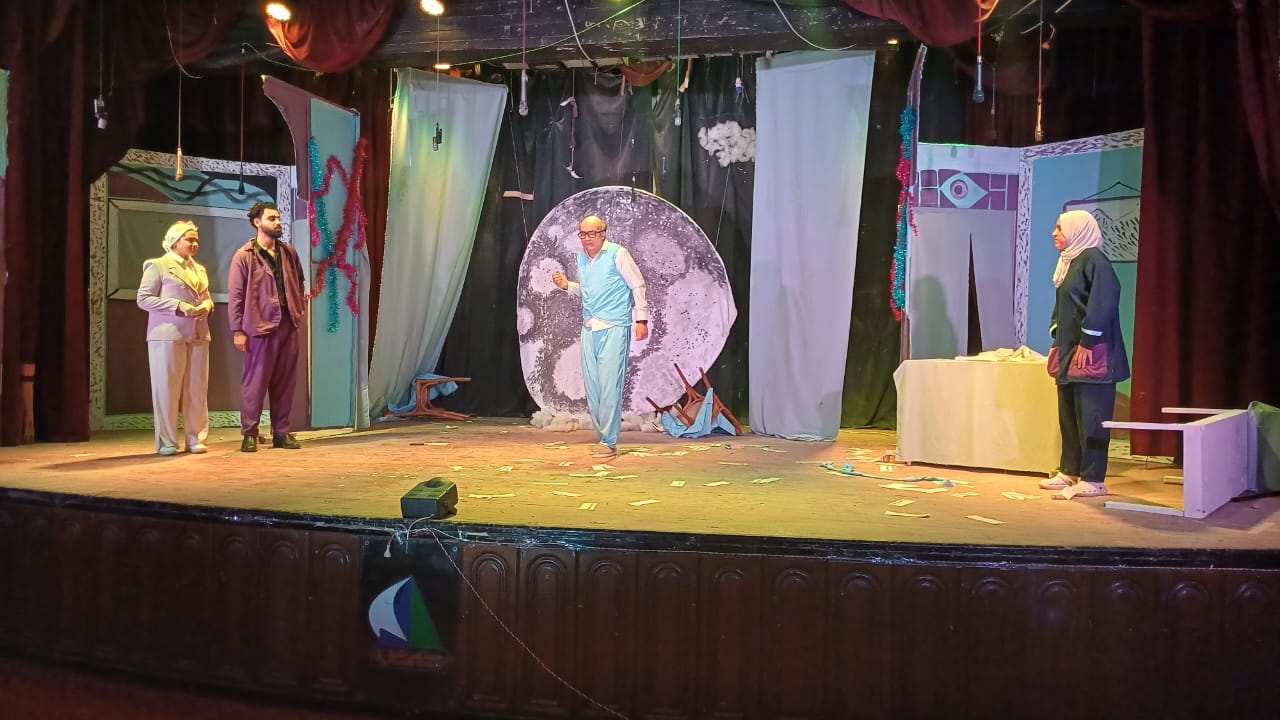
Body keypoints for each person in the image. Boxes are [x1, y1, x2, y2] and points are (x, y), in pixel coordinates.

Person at [1039, 209, 1130, 498]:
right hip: (1069, 352)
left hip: (1093, 352)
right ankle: (1070, 470)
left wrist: (1088, 341)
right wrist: (1057, 333)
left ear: (1077, 230)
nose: (1054, 233)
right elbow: (1065, 306)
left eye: (1059, 228)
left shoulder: (1094, 260)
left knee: (1092, 416)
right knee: (1069, 414)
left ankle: (1093, 478)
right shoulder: (1069, 262)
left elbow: (1103, 302)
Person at [552, 215, 650, 459]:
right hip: (590, 327)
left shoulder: (618, 254)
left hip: (614, 326)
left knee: (609, 385)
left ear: (603, 233)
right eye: (583, 234)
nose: (587, 238)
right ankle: (603, 436)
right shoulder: (583, 259)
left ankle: (609, 440)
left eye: (592, 233)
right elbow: (589, 292)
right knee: (593, 386)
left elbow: (637, 285)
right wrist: (568, 286)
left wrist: (641, 320)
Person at [228, 201, 307, 452]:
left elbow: (300, 282)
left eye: (279, 218)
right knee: (255, 382)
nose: (278, 222)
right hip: (259, 326)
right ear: (257, 222)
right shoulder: (244, 256)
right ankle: (249, 433)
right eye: (272, 218)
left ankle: (281, 432)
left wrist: (297, 308)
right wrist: (238, 330)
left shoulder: (288, 253)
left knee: (285, 382)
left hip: (287, 324)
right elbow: (236, 295)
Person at [136, 220, 214, 456]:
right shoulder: (158, 265)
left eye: (196, 240)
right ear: (175, 241)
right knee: (166, 389)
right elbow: (143, 299)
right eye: (189, 239)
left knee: (197, 389)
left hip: (198, 332)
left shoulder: (199, 269)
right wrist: (178, 306)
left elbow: (206, 297)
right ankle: (167, 441)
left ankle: (195, 437)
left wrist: (207, 305)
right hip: (167, 334)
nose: (194, 243)